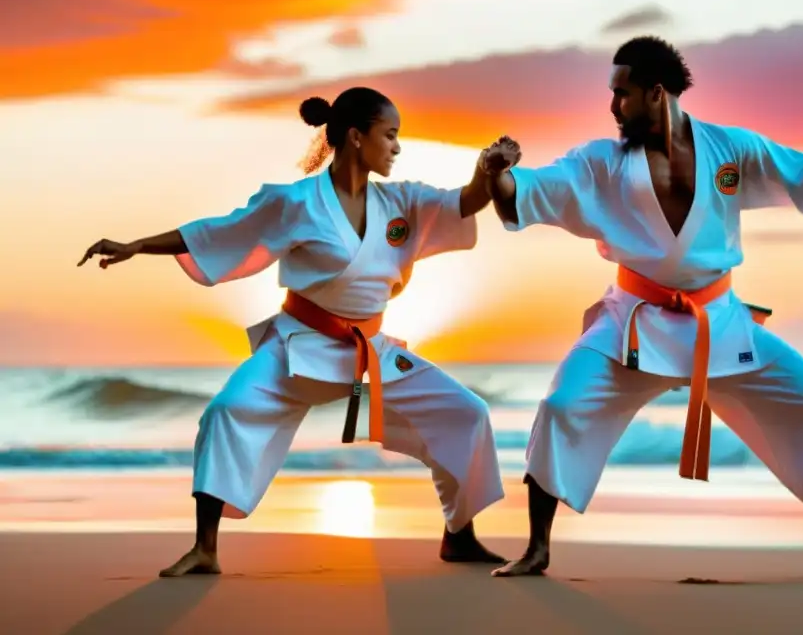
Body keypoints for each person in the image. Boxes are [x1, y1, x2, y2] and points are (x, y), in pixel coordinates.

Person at [482, 36, 803, 580]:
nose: (612, 107)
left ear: (657, 93)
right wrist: (498, 173)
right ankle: (536, 549)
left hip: (719, 322)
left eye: (622, 94)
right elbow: (532, 189)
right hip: (632, 324)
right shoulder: (601, 163)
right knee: (562, 406)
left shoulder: (731, 151)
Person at [79, 87, 514, 577]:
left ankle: (459, 535)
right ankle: (204, 548)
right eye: (389, 135)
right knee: (227, 411)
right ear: (356, 137)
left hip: (370, 349)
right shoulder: (297, 202)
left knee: (466, 412)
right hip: (298, 345)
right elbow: (222, 231)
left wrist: (489, 170)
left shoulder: (402, 201)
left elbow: (465, 202)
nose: (396, 147)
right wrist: (139, 244)